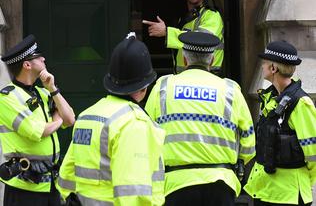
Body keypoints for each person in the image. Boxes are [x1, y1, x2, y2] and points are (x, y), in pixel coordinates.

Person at [145, 31, 255, 206]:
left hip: (175, 185)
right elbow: (249, 143)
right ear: (211, 60)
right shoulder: (231, 90)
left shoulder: (163, 87)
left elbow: (147, 134)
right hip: (221, 184)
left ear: (184, 60)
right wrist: (238, 163)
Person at [57, 32, 165, 206]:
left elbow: (66, 176)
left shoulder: (87, 116)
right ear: (145, 86)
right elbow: (133, 194)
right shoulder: (133, 123)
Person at [0, 34, 75, 206]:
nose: (43, 58)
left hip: (50, 185)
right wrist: (57, 119)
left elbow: (70, 118)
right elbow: (38, 131)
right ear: (27, 65)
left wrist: (53, 89)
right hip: (24, 189)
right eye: (38, 56)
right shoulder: (7, 98)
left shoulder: (43, 92)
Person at [244, 40, 316, 206]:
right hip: (265, 190)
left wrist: (306, 180)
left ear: (273, 68)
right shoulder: (270, 98)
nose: (262, 66)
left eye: (264, 62)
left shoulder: (300, 103)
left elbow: (313, 152)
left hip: (287, 195)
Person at [143, 0, 224, 74]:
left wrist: (167, 32)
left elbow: (201, 41)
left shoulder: (212, 16)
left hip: (208, 77)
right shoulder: (184, 18)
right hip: (186, 77)